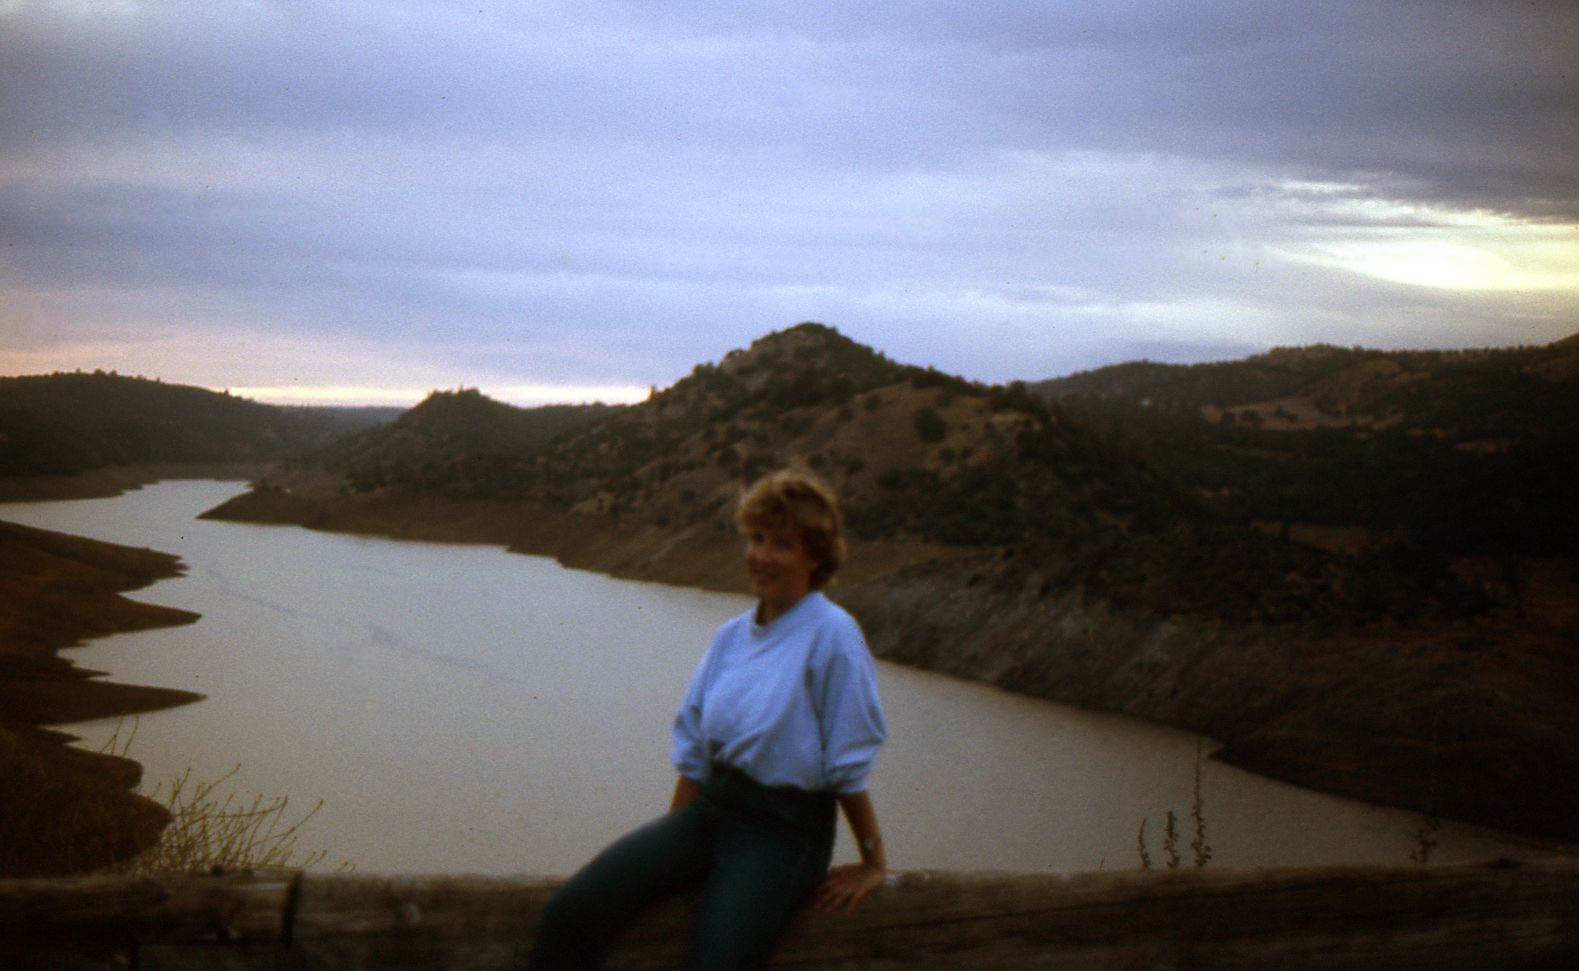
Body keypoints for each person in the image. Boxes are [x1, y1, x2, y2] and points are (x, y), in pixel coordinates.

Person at [527, 468, 889, 969]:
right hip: (712, 813)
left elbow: (847, 762)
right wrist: (670, 846)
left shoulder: (832, 634)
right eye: (756, 539)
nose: (761, 555)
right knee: (573, 912)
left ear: (815, 556)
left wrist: (873, 861)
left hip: (783, 834)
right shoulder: (731, 637)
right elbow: (696, 752)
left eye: (782, 544)